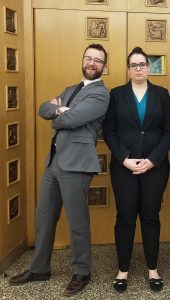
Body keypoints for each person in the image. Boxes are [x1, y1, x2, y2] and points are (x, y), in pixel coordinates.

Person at [9, 44, 110, 297]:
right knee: (44, 217)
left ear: (104, 67)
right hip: (54, 162)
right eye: (88, 58)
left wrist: (60, 112)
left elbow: (71, 119)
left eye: (97, 60)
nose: (91, 63)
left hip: (77, 164)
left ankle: (82, 272)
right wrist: (58, 109)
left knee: (77, 222)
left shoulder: (101, 94)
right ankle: (40, 268)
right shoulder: (70, 89)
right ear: (82, 60)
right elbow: (43, 108)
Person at [103, 47, 170, 293]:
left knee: (150, 216)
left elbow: (169, 131)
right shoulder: (116, 94)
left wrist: (153, 160)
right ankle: (122, 269)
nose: (138, 68)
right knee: (125, 217)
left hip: (155, 167)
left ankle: (152, 268)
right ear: (128, 68)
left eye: (142, 64)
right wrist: (124, 158)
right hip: (124, 167)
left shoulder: (162, 94)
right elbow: (109, 131)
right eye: (133, 65)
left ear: (148, 66)